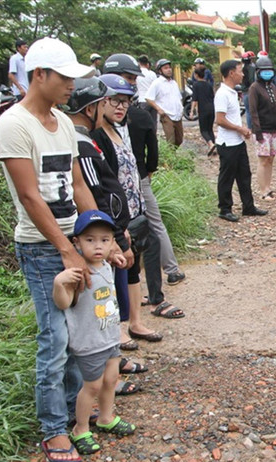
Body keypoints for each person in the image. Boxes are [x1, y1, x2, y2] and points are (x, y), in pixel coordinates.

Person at [0, 37, 98, 462]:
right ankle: (53, 428)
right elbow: (30, 196)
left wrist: (102, 237)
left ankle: (78, 415)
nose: (72, 85)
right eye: (65, 76)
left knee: (78, 335)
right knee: (54, 339)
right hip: (41, 249)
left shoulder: (64, 124)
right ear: (40, 75)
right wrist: (66, 251)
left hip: (73, 240)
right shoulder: (14, 124)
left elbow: (77, 185)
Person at [94, 74, 185, 342]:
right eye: (115, 101)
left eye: (126, 102)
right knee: (116, 272)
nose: (121, 107)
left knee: (134, 269)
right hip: (116, 218)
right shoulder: (97, 136)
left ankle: (136, 322)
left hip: (135, 211)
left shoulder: (120, 130)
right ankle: (119, 330)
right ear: (101, 103)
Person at [65, 76, 142, 386]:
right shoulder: (81, 143)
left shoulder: (84, 138)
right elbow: (93, 192)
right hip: (101, 237)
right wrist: (113, 238)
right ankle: (99, 381)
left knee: (108, 303)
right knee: (100, 306)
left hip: (106, 234)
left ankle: (110, 366)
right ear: (92, 107)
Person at [52, 210, 136, 456]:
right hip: (89, 343)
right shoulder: (78, 272)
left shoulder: (106, 265)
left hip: (109, 337)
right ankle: (80, 428)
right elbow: (64, 303)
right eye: (90, 240)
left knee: (111, 380)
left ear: (112, 243)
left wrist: (116, 258)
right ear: (76, 242)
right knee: (91, 386)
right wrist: (60, 283)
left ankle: (106, 417)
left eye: (104, 240)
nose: (97, 246)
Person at [104, 54, 186, 288]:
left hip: (137, 181)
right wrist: (148, 170)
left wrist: (146, 172)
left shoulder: (128, 116)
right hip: (117, 185)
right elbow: (153, 153)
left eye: (132, 79)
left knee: (150, 224)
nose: (131, 84)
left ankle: (159, 275)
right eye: (128, 78)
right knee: (144, 225)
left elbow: (153, 152)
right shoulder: (115, 119)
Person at [215, 59, 268, 222]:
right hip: (227, 143)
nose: (243, 74)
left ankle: (248, 206)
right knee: (227, 176)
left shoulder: (232, 92)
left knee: (244, 174)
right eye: (240, 71)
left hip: (237, 142)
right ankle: (225, 208)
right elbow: (220, 120)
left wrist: (241, 131)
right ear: (231, 73)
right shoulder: (222, 93)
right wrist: (240, 129)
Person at [248, 55, 276, 200]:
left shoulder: (272, 87)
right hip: (262, 130)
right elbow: (253, 111)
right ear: (257, 72)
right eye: (264, 71)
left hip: (273, 130)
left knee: (271, 159)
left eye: (269, 70)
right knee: (263, 160)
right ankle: (263, 191)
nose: (267, 73)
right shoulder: (254, 88)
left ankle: (268, 187)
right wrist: (257, 131)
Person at [145, 59, 183, 146]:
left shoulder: (174, 83)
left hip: (177, 115)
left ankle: (173, 155)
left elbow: (178, 97)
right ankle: (171, 158)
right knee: (171, 140)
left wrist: (181, 108)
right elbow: (148, 98)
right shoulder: (157, 83)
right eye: (165, 68)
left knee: (179, 139)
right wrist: (159, 109)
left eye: (169, 68)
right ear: (160, 71)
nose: (169, 70)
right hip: (166, 115)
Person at [192, 67, 216, 156]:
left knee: (203, 130)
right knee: (210, 129)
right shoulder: (209, 85)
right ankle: (213, 148)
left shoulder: (196, 85)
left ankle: (211, 144)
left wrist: (191, 111)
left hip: (203, 109)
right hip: (211, 108)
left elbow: (194, 99)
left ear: (196, 75)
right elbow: (213, 96)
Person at [136, 55, 157, 127]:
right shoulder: (152, 74)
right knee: (153, 122)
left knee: (143, 121)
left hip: (142, 99)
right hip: (152, 101)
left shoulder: (137, 74)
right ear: (147, 64)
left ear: (139, 63)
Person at [241, 52, 256, 133]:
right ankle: (252, 127)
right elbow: (252, 80)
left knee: (247, 110)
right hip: (250, 91)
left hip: (244, 91)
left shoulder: (242, 68)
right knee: (252, 110)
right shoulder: (251, 67)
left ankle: (249, 127)